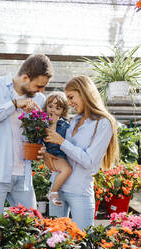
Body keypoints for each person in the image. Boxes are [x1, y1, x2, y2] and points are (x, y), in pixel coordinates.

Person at [0, 54, 53, 220]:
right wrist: (14, 105)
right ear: (25, 77)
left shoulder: (39, 99)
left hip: (23, 175)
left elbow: (39, 133)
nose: (41, 91)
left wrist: (41, 144)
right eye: (39, 86)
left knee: (31, 226)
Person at [44, 75, 119, 230]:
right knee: (54, 240)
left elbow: (89, 161)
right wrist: (47, 154)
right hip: (57, 188)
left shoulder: (103, 123)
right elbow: (61, 154)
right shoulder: (74, 121)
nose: (69, 103)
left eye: (71, 97)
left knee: (84, 240)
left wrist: (62, 142)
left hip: (79, 191)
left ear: (84, 92)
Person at [43, 91, 72, 206]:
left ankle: (54, 191)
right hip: (53, 154)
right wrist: (51, 124)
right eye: (50, 106)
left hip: (61, 154)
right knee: (66, 170)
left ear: (63, 111)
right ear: (46, 107)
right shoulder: (42, 123)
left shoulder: (65, 125)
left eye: (57, 108)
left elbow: (67, 140)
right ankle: (53, 192)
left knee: (66, 170)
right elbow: (44, 138)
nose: (53, 110)